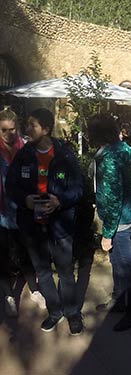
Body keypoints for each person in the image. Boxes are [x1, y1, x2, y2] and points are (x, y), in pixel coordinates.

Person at [7, 108, 84, 334]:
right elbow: (11, 186)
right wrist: (26, 200)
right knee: (42, 272)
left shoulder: (65, 155)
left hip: (60, 225)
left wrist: (59, 201)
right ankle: (55, 311)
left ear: (46, 129)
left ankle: (72, 313)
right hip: (32, 225)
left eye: (32, 125)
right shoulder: (23, 154)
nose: (27, 129)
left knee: (66, 271)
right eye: (27, 125)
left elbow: (78, 190)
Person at [87, 113, 131, 332]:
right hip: (123, 217)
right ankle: (119, 301)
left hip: (117, 222)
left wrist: (107, 234)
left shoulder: (109, 159)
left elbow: (113, 199)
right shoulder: (119, 149)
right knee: (118, 263)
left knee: (125, 266)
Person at [0, 108, 43, 318]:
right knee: (2, 256)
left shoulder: (25, 148)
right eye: (4, 130)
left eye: (12, 129)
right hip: (1, 213)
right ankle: (9, 295)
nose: (9, 134)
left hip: (23, 211)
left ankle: (34, 290)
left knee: (27, 252)